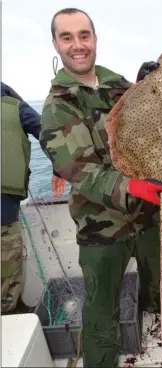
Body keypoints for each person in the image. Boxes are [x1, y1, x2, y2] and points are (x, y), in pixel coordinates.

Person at [39, 8, 162, 367]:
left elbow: (146, 124)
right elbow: (79, 169)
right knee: (101, 315)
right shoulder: (57, 107)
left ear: (95, 39)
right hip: (101, 230)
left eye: (84, 35)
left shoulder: (117, 84)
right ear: (56, 44)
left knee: (156, 287)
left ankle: (152, 327)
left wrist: (147, 86)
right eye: (67, 37)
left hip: (147, 218)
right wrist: (133, 186)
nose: (77, 45)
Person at [1, 81, 66, 315]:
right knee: (7, 282)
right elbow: (49, 134)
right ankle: (13, 319)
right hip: (3, 216)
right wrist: (60, 168)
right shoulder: (13, 105)